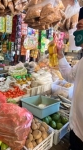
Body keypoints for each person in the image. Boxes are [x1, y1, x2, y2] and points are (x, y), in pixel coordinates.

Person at [57, 7, 83, 150]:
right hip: (75, 129)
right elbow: (69, 76)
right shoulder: (81, 62)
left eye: (80, 27)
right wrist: (60, 55)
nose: (76, 32)